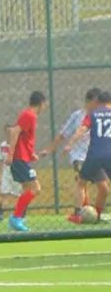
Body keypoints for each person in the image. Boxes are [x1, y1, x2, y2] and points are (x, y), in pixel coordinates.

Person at [46, 87, 101, 224]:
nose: (98, 105)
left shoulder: (101, 116)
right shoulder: (77, 116)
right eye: (95, 102)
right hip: (78, 156)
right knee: (81, 181)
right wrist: (51, 149)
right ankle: (78, 213)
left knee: (97, 185)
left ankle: (89, 211)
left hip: (96, 155)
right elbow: (63, 134)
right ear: (88, 101)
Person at [64, 89, 111, 222]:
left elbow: (82, 129)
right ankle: (98, 215)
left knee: (81, 183)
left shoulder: (92, 114)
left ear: (98, 102)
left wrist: (70, 143)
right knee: (104, 188)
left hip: (94, 154)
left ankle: (77, 214)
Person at [5, 90, 47, 233]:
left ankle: (19, 218)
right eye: (45, 104)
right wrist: (11, 154)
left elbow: (23, 137)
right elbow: (14, 131)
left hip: (23, 157)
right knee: (36, 188)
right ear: (41, 103)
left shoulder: (29, 115)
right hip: (19, 158)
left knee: (27, 189)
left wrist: (31, 154)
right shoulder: (29, 115)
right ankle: (16, 218)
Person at [0, 133, 22, 221]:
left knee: (18, 195)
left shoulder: (19, 144)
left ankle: (19, 215)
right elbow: (1, 160)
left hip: (17, 174)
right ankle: (0, 213)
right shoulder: (3, 145)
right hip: (6, 174)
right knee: (4, 194)